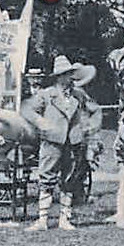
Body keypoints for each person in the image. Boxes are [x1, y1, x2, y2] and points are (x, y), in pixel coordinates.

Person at [22, 55, 102, 231]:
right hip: (52, 142)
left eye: (70, 74)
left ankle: (65, 219)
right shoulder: (46, 95)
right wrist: (42, 123)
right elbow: (28, 110)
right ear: (58, 77)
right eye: (66, 74)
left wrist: (89, 128)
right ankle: (42, 220)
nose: (69, 78)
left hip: (73, 143)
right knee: (46, 178)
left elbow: (96, 111)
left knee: (69, 179)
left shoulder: (79, 95)